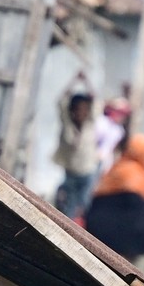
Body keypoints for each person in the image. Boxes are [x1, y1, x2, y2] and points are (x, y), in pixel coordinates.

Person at [84, 133, 144, 267]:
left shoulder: (119, 166)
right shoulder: (132, 172)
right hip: (114, 232)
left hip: (97, 227)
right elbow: (133, 203)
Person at [53, 74, 98, 220]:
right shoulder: (67, 124)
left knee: (85, 203)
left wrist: (86, 81)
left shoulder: (90, 124)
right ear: (72, 111)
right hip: (71, 173)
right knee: (69, 205)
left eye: (84, 110)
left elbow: (95, 100)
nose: (80, 114)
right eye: (77, 110)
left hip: (88, 172)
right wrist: (73, 81)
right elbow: (61, 102)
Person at [95, 96, 131, 176]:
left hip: (105, 162)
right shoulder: (102, 122)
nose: (121, 117)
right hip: (93, 158)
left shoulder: (119, 131)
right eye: (120, 113)